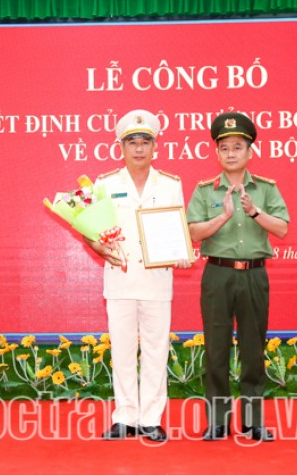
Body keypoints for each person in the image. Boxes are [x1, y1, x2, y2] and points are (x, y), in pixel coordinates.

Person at [85, 109, 190, 442]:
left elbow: (178, 229)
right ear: (121, 147)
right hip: (120, 278)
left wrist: (180, 252)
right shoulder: (105, 183)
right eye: (132, 142)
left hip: (157, 280)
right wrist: (96, 245)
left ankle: (151, 419)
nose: (139, 148)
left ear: (155, 146)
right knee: (123, 351)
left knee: (157, 351)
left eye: (146, 141)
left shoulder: (171, 184)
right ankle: (125, 417)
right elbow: (93, 229)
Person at [186, 112, 289, 442]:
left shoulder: (266, 189)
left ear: (249, 152)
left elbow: (282, 229)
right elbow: (192, 232)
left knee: (253, 351)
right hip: (217, 274)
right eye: (225, 148)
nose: (231, 153)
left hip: (254, 276)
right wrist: (224, 216)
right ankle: (218, 421)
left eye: (238, 147)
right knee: (215, 350)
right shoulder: (205, 191)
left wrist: (254, 212)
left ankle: (252, 422)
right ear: (217, 153)